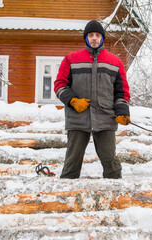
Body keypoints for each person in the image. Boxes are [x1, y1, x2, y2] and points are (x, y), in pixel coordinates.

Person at [54, 20, 131, 179]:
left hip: (106, 117)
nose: (94, 38)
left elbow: (121, 92)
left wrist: (122, 112)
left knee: (110, 160)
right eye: (90, 35)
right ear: (86, 38)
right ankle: (66, 195)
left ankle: (115, 193)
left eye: (97, 35)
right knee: (72, 161)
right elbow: (59, 85)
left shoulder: (115, 62)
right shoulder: (71, 59)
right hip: (77, 117)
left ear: (102, 38)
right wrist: (73, 101)